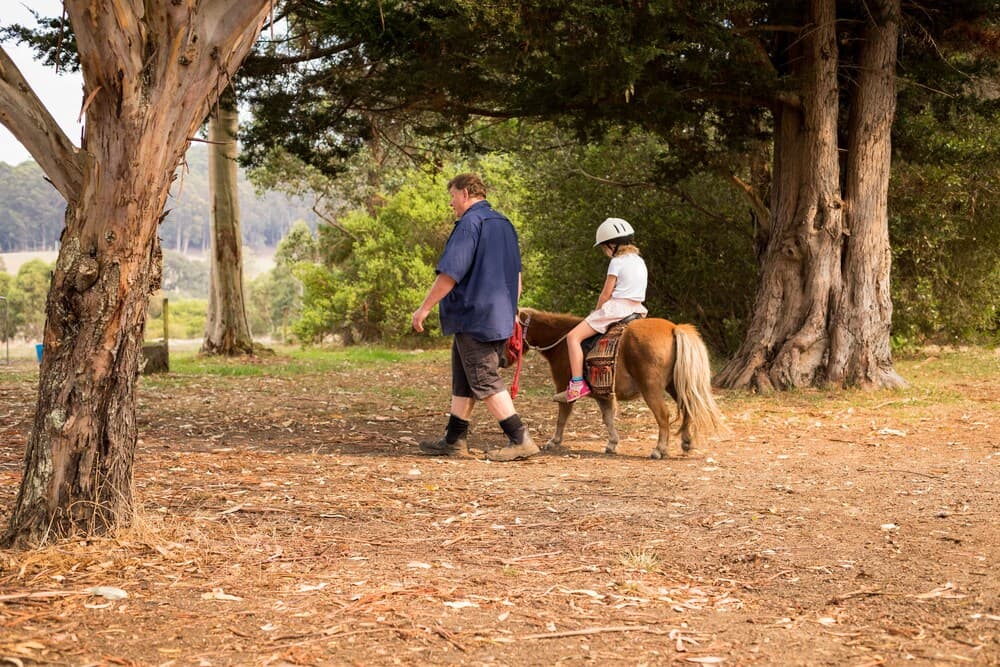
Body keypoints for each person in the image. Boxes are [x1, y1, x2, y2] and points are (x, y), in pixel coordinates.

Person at [411, 173, 539, 462]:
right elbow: (516, 276)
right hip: (499, 315)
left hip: (475, 315)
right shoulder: (504, 224)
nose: (451, 203)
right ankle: (454, 440)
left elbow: (450, 273)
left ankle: (520, 439)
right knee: (464, 377)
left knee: (484, 378)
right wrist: (512, 310)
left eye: (453, 196)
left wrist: (425, 308)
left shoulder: (470, 223)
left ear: (466, 193)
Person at [557, 217, 648, 402]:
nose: (604, 251)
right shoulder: (639, 260)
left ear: (612, 245)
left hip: (617, 308)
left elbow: (606, 294)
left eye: (604, 247)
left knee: (573, 337)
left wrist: (597, 312)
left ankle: (576, 384)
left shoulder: (617, 261)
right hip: (638, 310)